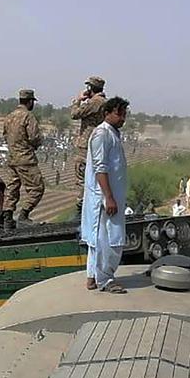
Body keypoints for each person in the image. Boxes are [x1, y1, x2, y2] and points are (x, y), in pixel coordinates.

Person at [80, 97, 130, 294]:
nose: (122, 118)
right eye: (119, 114)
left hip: (110, 196)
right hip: (103, 198)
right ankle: (105, 279)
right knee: (108, 239)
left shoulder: (112, 134)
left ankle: (93, 277)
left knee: (99, 240)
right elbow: (101, 169)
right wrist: (108, 197)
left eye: (124, 114)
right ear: (107, 113)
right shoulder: (102, 134)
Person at [2, 88, 45, 226]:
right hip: (26, 159)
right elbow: (35, 137)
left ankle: (7, 218)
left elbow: (5, 135)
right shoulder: (28, 116)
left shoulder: (9, 116)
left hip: (12, 159)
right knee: (37, 188)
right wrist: (36, 144)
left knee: (12, 188)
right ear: (30, 101)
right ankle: (24, 215)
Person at [69, 76, 107, 212]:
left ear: (91, 88)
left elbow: (74, 114)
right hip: (97, 145)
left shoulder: (95, 102)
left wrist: (78, 100)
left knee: (81, 179)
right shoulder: (103, 102)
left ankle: (81, 208)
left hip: (86, 146)